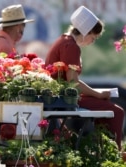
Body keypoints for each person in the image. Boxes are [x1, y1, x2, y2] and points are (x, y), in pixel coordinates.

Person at [45, 6, 124, 150]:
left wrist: (97, 94)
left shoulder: (64, 40)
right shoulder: (71, 46)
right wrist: (97, 94)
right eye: (93, 38)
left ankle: (102, 150)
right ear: (85, 32)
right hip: (64, 97)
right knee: (117, 112)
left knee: (107, 106)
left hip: (61, 94)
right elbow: (73, 84)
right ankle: (113, 155)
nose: (92, 42)